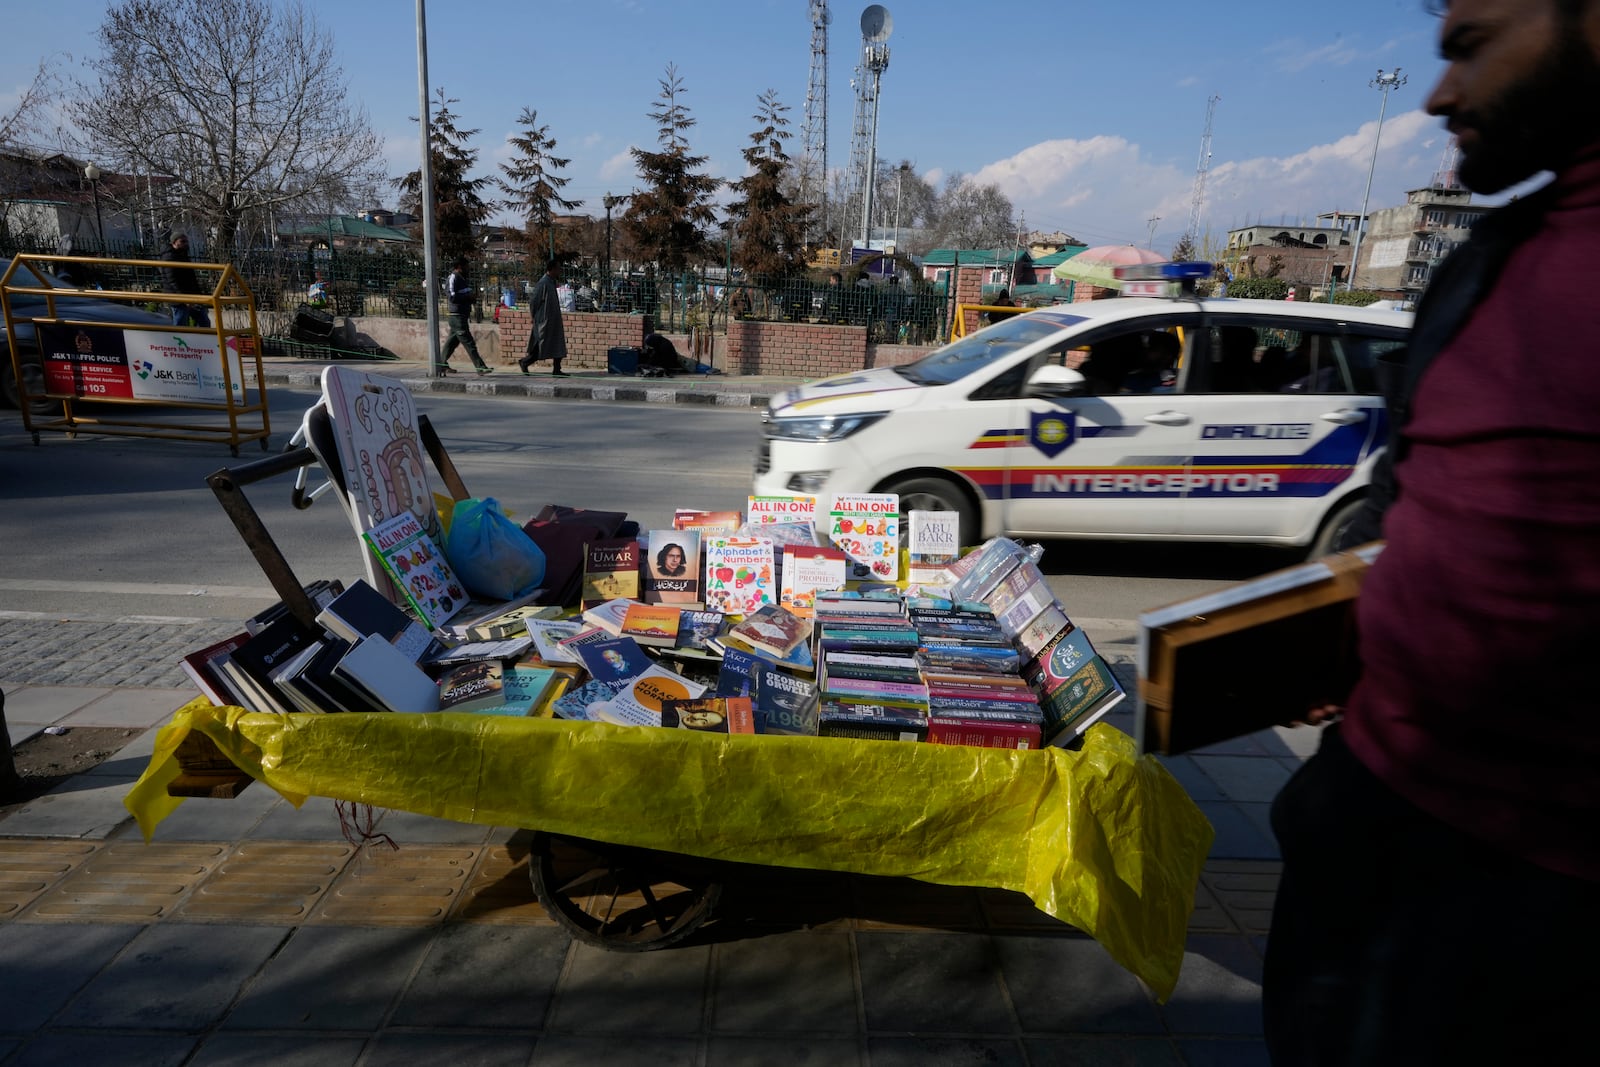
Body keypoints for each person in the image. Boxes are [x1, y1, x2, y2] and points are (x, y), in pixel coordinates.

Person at [1262, 3, 1600, 1064]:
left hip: (1542, 914)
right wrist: (1343, 599)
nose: (1436, 93)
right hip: (1368, 833)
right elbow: (1404, 492)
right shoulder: (1487, 260)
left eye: (1471, 43)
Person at [440, 258, 491, 376]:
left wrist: (472, 297)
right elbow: (452, 296)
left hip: (462, 316)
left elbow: (464, 294)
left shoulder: (463, 279)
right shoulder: (453, 278)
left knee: (451, 343)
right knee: (469, 343)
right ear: (459, 266)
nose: (468, 268)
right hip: (457, 316)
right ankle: (481, 367)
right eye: (466, 266)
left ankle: (441, 364)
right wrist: (467, 298)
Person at [518, 258, 568, 376]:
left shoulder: (551, 282)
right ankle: (525, 362)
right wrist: (532, 316)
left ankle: (557, 369)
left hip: (554, 320)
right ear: (552, 269)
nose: (559, 271)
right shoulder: (543, 283)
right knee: (540, 346)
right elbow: (534, 301)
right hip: (544, 321)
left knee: (558, 345)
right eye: (557, 269)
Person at [158, 232, 209, 327]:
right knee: (181, 323)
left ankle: (203, 340)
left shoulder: (182, 255)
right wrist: (184, 298)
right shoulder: (170, 257)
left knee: (203, 321)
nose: (186, 244)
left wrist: (199, 296)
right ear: (174, 242)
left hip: (189, 296)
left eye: (186, 241)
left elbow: (191, 278)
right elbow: (173, 281)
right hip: (178, 298)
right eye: (182, 241)